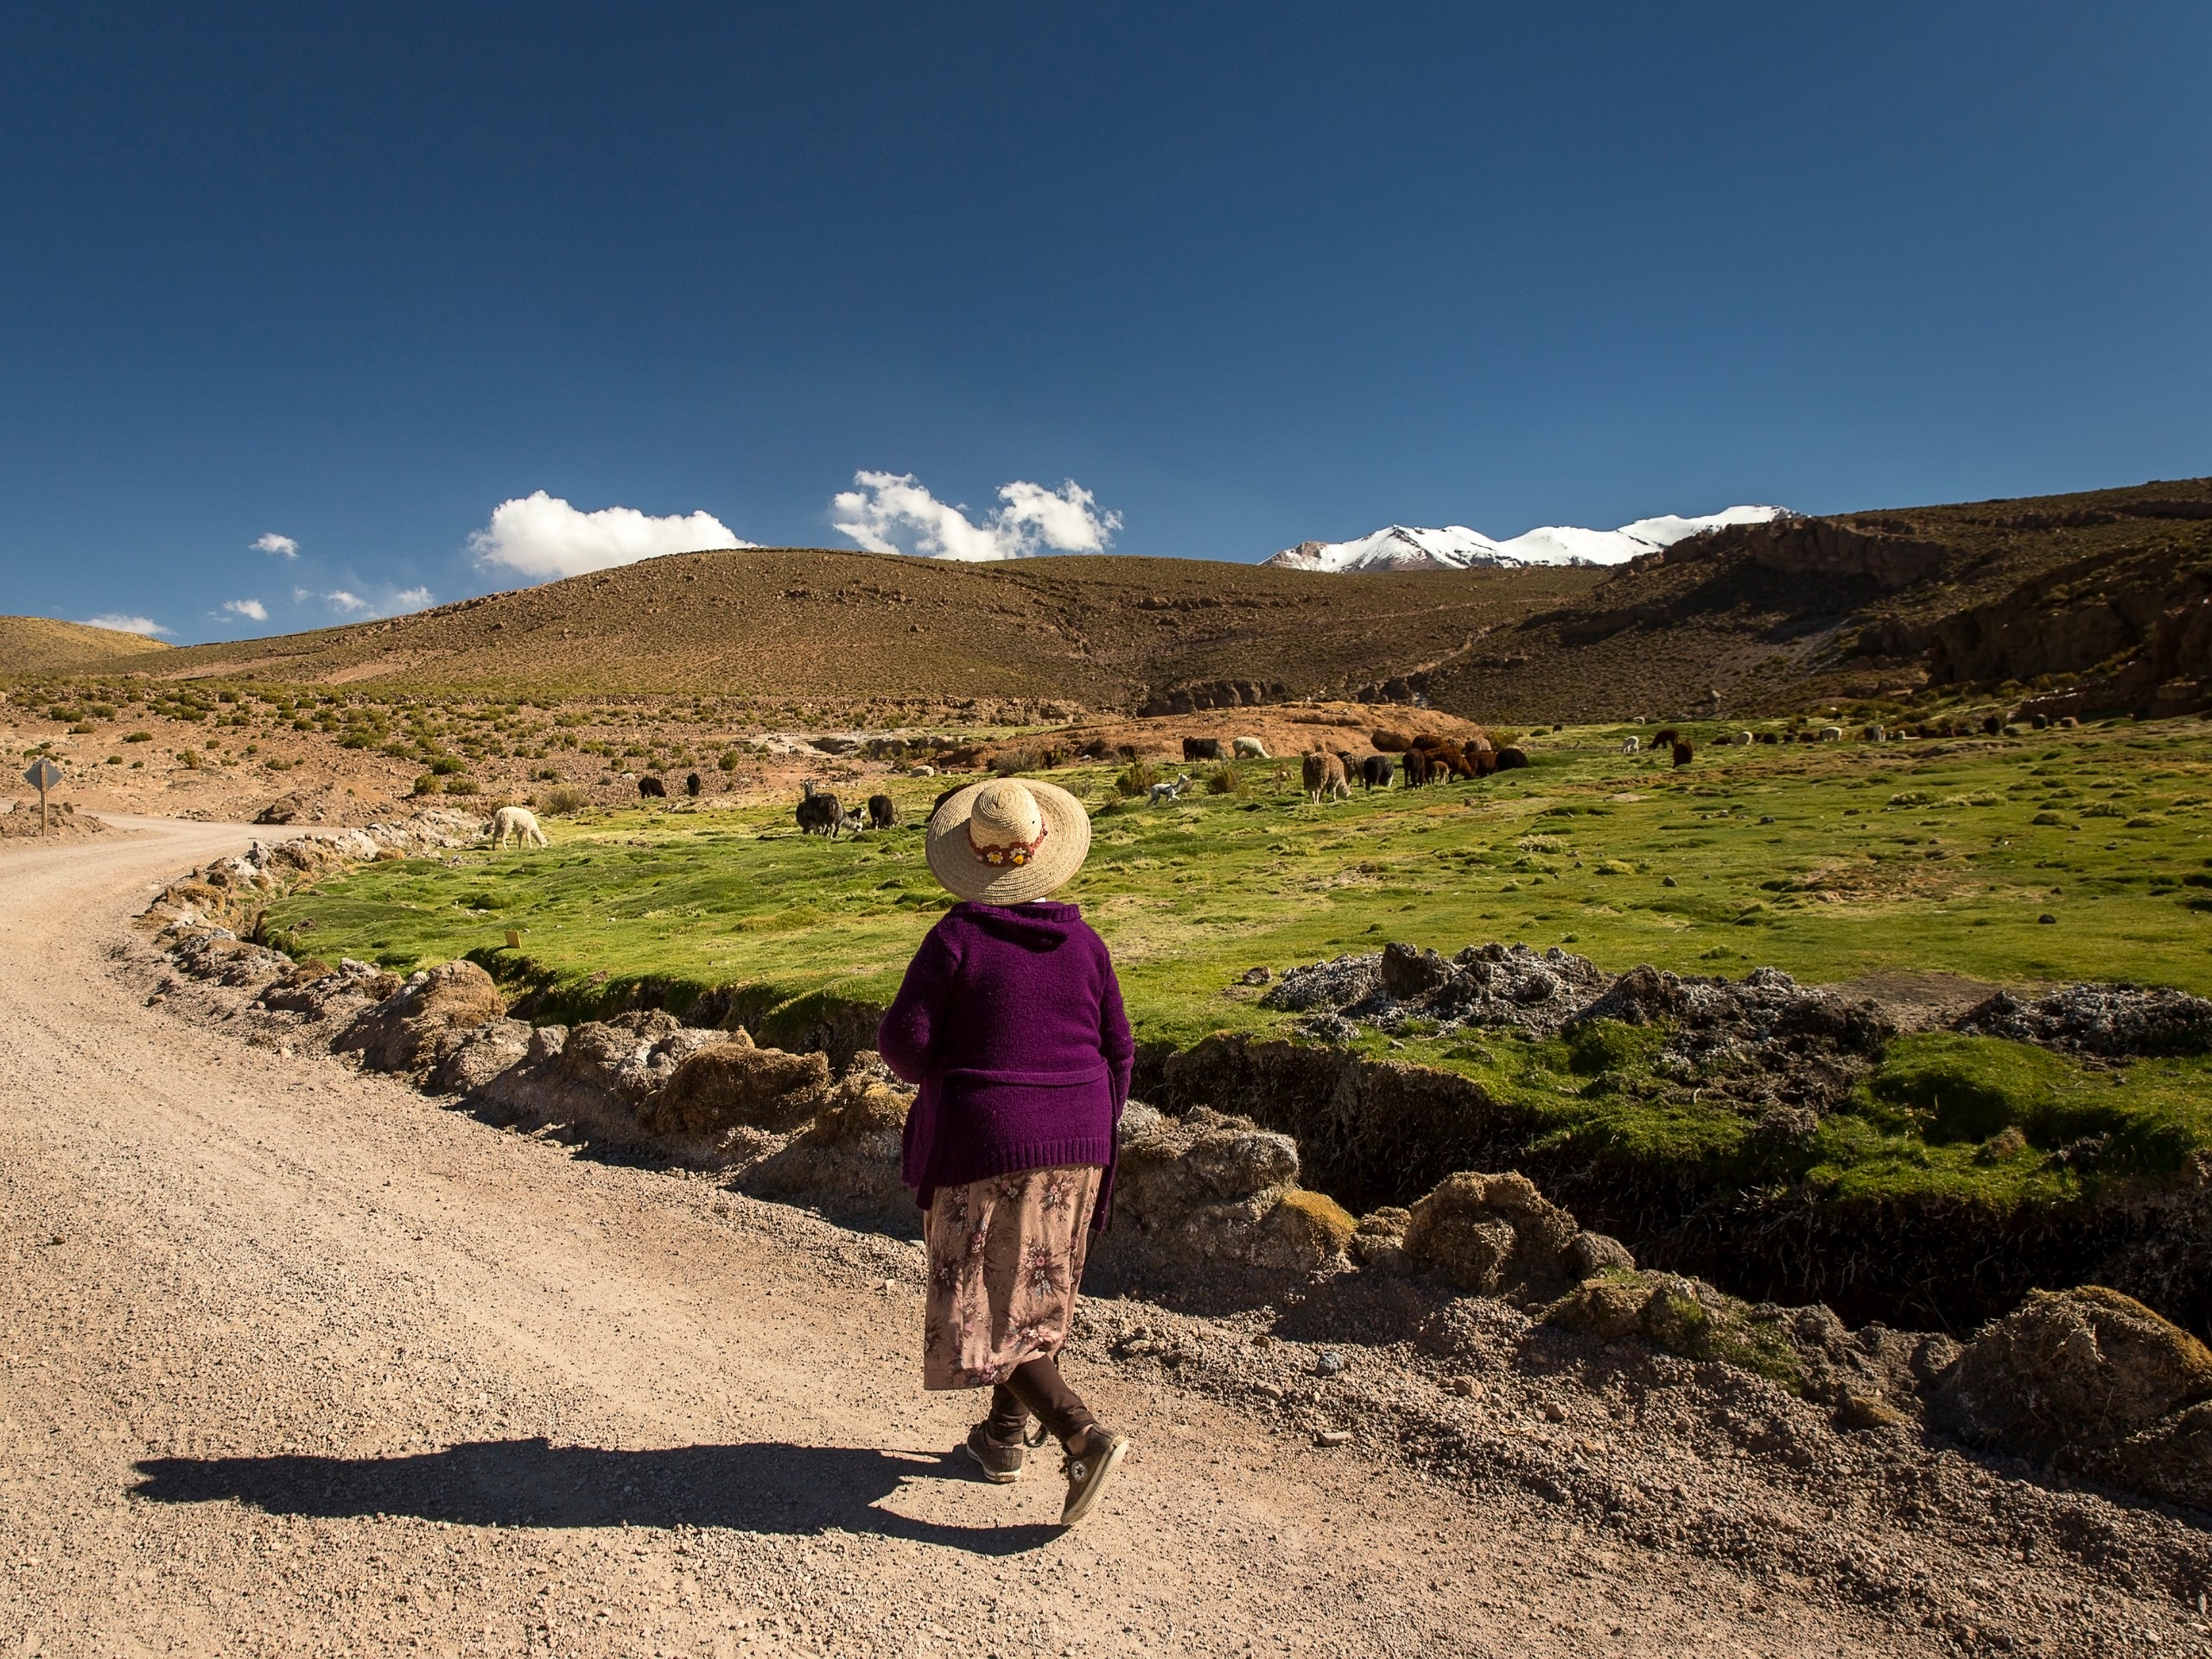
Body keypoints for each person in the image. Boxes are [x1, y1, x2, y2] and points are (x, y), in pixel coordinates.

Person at [877, 777, 1135, 1525]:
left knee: (988, 1302)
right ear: (1043, 850)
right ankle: (1002, 1436)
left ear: (971, 859)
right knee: (1033, 1291)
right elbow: (1119, 1048)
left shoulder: (957, 939)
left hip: (989, 1141)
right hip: (1080, 1138)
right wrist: (1083, 1120)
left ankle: (1081, 1436)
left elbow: (905, 1049)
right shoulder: (1085, 941)